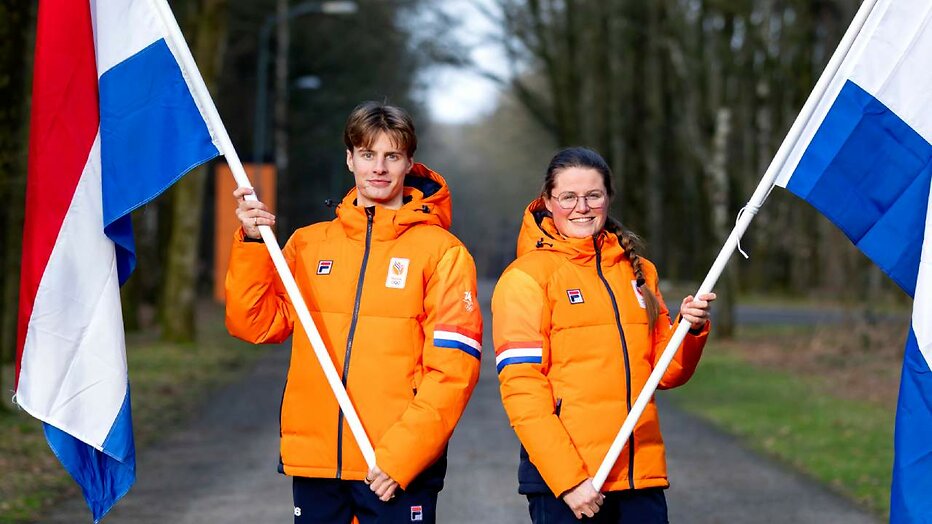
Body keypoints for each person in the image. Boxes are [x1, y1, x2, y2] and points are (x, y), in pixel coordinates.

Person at [225, 101, 482, 524]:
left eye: (391, 156)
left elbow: (453, 371)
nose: (378, 168)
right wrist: (253, 245)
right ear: (349, 159)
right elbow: (254, 324)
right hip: (318, 462)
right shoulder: (309, 244)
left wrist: (403, 456)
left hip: (395, 470)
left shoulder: (443, 252)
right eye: (367, 154)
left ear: (408, 163)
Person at [492, 147, 716, 523]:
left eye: (593, 195)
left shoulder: (639, 271)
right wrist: (568, 481)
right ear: (548, 201)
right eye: (568, 197)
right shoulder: (525, 279)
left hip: (639, 477)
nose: (582, 207)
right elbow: (522, 389)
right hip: (570, 485)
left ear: (608, 198)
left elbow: (667, 371)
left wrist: (689, 329)